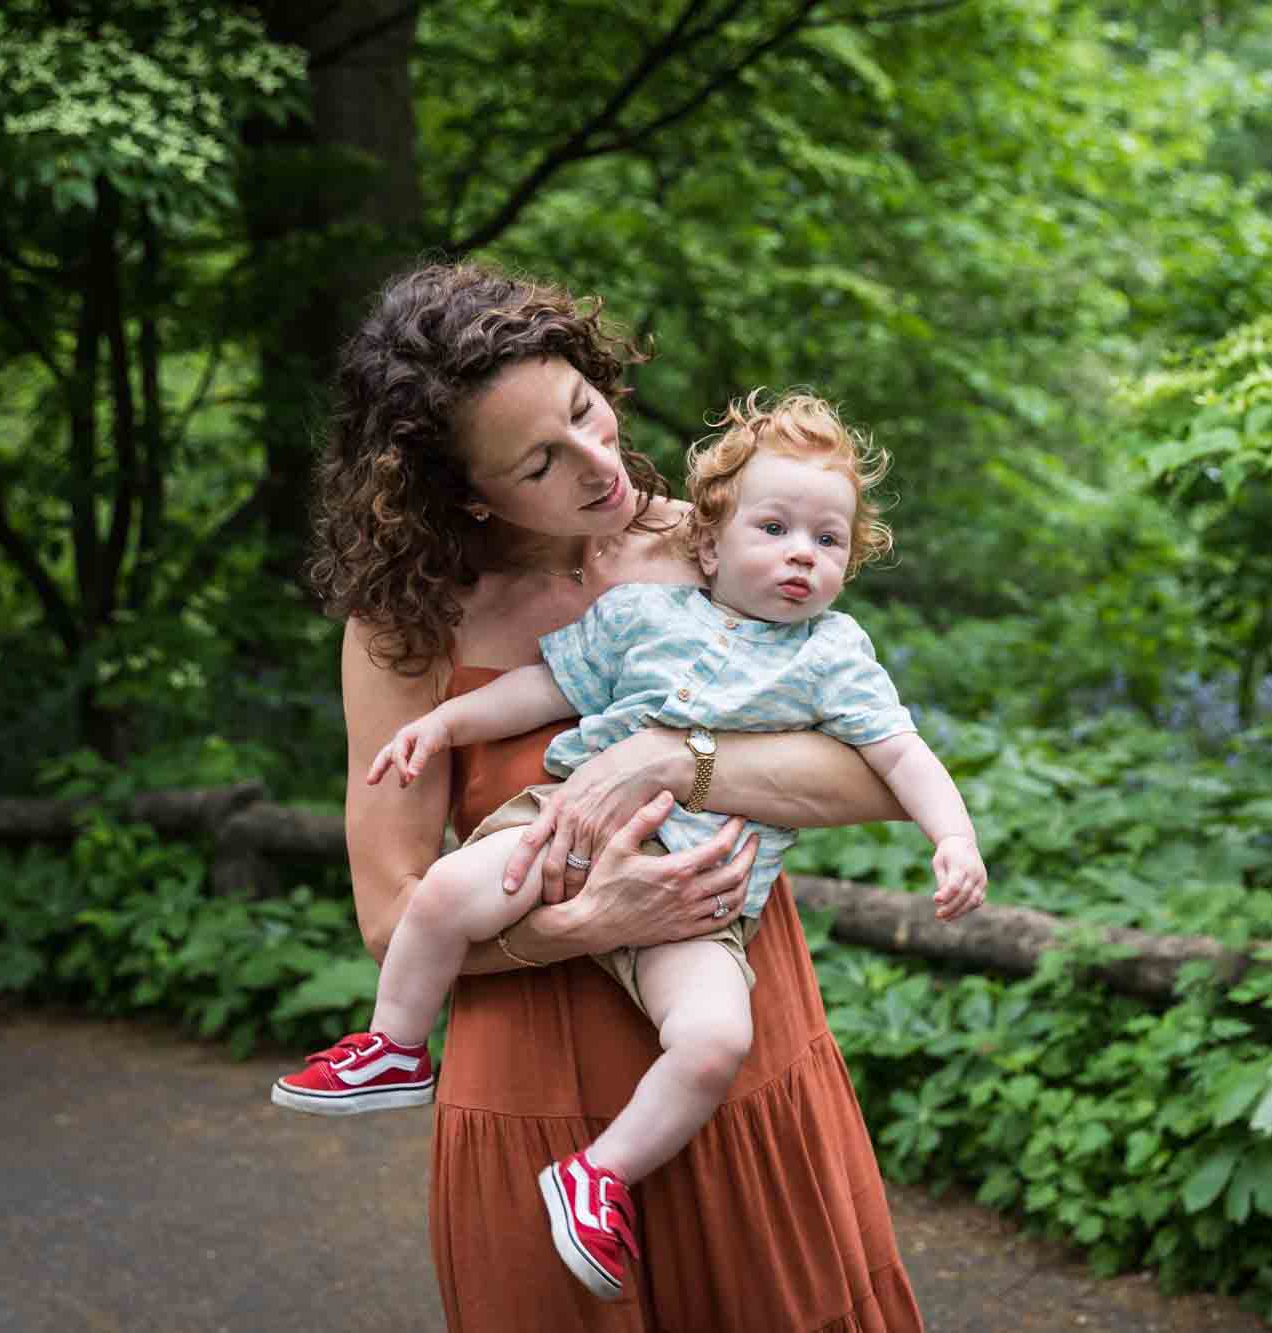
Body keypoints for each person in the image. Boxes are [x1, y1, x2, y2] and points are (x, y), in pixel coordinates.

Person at [297, 260, 929, 1330]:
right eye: (542, 461)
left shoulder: (712, 548)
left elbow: (877, 775)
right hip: (536, 1070)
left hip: (732, 1035)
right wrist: (582, 924)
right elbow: (390, 915)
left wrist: (679, 761)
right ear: (465, 491)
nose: (599, 466)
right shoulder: (406, 624)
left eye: (588, 414)